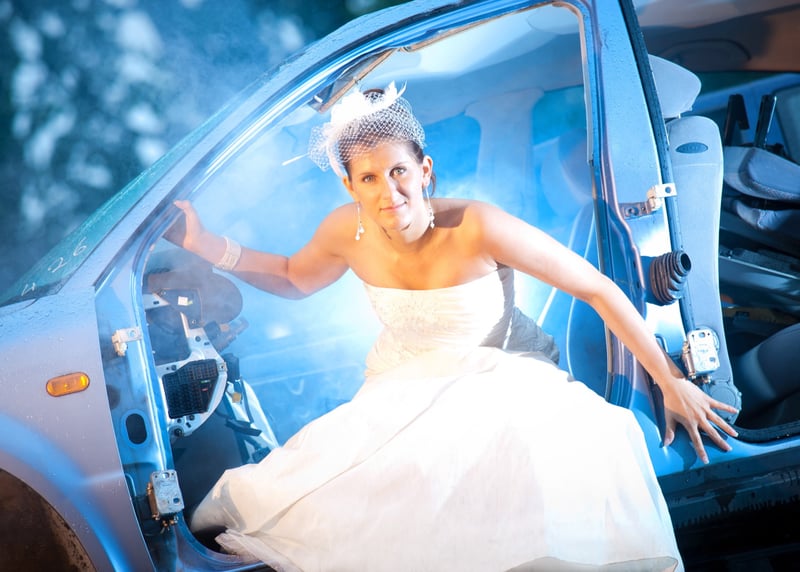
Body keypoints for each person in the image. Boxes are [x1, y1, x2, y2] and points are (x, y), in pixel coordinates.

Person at [171, 83, 737, 571]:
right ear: (350, 186)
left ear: (424, 171)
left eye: (399, 171)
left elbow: (597, 289)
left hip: (500, 377)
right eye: (369, 178)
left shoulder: (477, 226)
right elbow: (294, 277)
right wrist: (203, 244)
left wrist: (670, 381)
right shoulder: (345, 230)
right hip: (398, 389)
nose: (388, 192)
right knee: (306, 500)